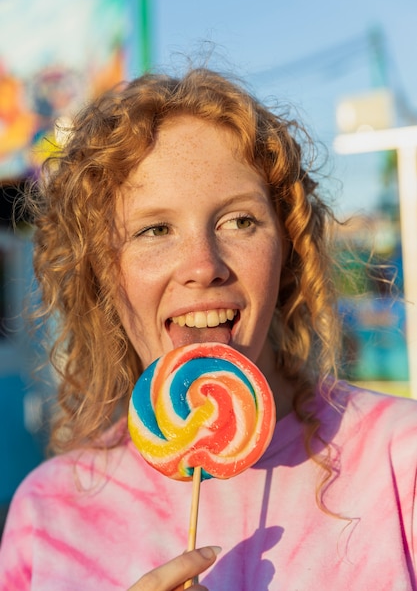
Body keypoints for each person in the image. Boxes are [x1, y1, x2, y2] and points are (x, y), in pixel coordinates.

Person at [0, 66, 416, 591]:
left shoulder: (402, 465)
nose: (204, 265)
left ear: (286, 249)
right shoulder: (47, 514)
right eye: (154, 230)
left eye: (239, 221)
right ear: (104, 272)